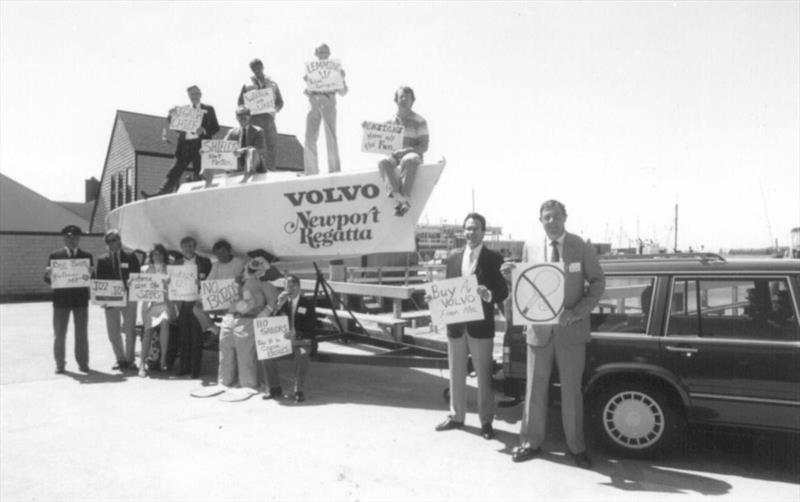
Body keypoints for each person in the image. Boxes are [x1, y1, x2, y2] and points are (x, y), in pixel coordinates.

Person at [510, 200, 605, 469]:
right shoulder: (530, 247)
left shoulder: (580, 246)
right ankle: (530, 442)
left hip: (571, 330)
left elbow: (598, 282)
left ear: (565, 217)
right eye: (546, 217)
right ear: (540, 220)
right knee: (533, 391)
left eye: (556, 216)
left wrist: (579, 311)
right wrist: (511, 276)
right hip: (538, 332)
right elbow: (526, 285)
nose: (551, 222)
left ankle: (576, 447)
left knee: (572, 392)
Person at [434, 213, 508, 440]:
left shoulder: (493, 258)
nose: (471, 232)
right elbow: (448, 289)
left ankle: (486, 421)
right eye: (467, 228)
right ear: (462, 231)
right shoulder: (454, 257)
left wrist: (489, 295)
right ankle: (456, 416)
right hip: (456, 326)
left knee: (484, 376)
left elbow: (503, 292)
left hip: (480, 327)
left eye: (475, 228)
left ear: (483, 231)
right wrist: (437, 309)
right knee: (456, 373)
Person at [143, 85, 220, 197]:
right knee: (175, 170)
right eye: (192, 94)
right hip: (185, 146)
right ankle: (161, 193)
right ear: (188, 96)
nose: (195, 96)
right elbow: (175, 126)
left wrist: (204, 130)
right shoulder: (183, 110)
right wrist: (171, 115)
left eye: (196, 94)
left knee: (200, 172)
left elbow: (215, 127)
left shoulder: (209, 109)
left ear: (201, 94)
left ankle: (203, 196)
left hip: (201, 146)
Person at [217, 255, 275, 395]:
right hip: (232, 319)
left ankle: (247, 383)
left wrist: (260, 316)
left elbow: (268, 303)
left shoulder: (260, 284)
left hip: (246, 319)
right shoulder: (240, 284)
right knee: (227, 350)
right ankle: (226, 381)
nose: (249, 268)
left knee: (245, 353)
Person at [44, 225, 94, 374]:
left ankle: (83, 363)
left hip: (80, 300)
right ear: (64, 238)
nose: (72, 240)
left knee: (81, 333)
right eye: (69, 237)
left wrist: (92, 273)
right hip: (61, 301)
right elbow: (48, 280)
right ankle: (60, 364)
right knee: (59, 333)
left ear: (79, 239)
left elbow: (91, 279)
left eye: (75, 237)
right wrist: (48, 275)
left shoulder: (87, 256)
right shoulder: (55, 256)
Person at [261, 274, 314, 402]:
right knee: (266, 355)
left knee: (302, 354)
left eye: (293, 286)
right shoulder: (283, 303)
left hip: (301, 341)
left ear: (299, 287)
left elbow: (311, 327)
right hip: (284, 342)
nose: (290, 289)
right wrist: (278, 305)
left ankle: (298, 390)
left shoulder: (307, 304)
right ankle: (274, 388)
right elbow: (271, 323)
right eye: (287, 286)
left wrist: (297, 334)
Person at [377, 86, 429, 217]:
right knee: (383, 161)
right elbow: (380, 142)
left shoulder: (420, 121)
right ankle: (400, 199)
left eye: (408, 97)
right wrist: (367, 129)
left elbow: (424, 146)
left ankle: (404, 196)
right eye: (401, 96)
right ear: (396, 100)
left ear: (412, 100)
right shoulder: (388, 123)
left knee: (408, 158)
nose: (405, 99)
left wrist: (405, 151)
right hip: (394, 157)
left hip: (413, 156)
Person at [96, 229, 141, 371]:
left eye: (114, 240)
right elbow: (99, 280)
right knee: (113, 331)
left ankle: (130, 360)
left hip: (129, 297)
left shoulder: (130, 256)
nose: (111, 243)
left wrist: (131, 282)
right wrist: (102, 299)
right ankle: (120, 359)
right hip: (111, 299)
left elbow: (138, 276)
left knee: (129, 330)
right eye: (108, 241)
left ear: (119, 240)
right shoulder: (102, 260)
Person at [303, 43, 348, 175]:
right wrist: (308, 82)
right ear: (316, 54)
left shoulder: (335, 71)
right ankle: (311, 170)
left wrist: (342, 79)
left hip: (329, 102)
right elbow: (307, 92)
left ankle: (334, 169)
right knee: (309, 137)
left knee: (331, 136)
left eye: (326, 53)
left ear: (329, 54)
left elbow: (343, 92)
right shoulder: (311, 70)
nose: (323, 55)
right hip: (314, 104)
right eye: (321, 53)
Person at [175, 236, 212, 377]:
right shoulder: (176, 263)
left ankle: (195, 369)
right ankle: (184, 366)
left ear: (195, 247)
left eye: (190, 246)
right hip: (184, 303)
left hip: (198, 302)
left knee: (196, 337)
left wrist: (201, 284)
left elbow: (210, 282)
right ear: (181, 248)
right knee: (183, 337)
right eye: (185, 246)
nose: (188, 249)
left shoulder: (205, 262)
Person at [238, 59, 283, 171]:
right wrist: (247, 111)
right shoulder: (247, 85)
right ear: (251, 70)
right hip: (253, 119)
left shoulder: (272, 84)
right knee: (253, 145)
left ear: (262, 67)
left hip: (268, 119)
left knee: (271, 144)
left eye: (258, 67)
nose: (256, 70)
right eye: (254, 68)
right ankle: (253, 169)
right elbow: (240, 103)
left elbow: (280, 102)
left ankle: (271, 169)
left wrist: (274, 109)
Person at [138, 244, 175, 377]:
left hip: (164, 304)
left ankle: (163, 358)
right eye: (155, 254)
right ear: (151, 256)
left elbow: (175, 289)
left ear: (164, 255)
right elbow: (140, 288)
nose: (157, 256)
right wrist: (132, 283)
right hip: (150, 305)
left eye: (160, 254)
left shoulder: (170, 270)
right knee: (147, 332)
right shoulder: (145, 269)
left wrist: (169, 284)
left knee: (165, 322)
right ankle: (142, 363)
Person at [221, 106, 267, 180]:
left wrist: (244, 150)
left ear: (249, 116)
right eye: (239, 115)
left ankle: (247, 175)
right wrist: (206, 151)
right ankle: (207, 182)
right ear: (236, 117)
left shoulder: (258, 131)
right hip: (236, 165)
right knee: (211, 152)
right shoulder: (231, 132)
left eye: (244, 115)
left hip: (254, 165)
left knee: (252, 151)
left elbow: (261, 149)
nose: (242, 118)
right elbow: (220, 146)